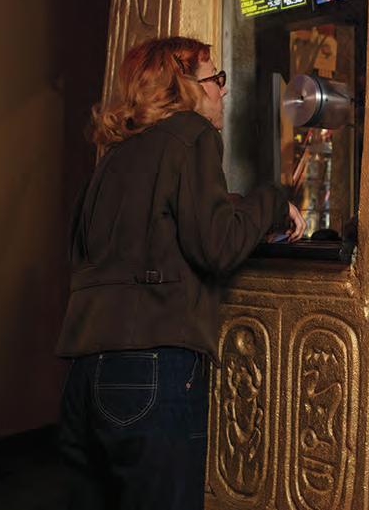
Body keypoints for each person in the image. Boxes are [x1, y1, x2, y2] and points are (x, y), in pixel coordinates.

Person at [56, 36, 305, 509]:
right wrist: (273, 201)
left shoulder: (114, 157)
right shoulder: (192, 134)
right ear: (183, 87)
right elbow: (218, 245)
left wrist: (237, 207)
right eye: (215, 78)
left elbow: (129, 235)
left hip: (83, 375)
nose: (222, 90)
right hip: (151, 369)